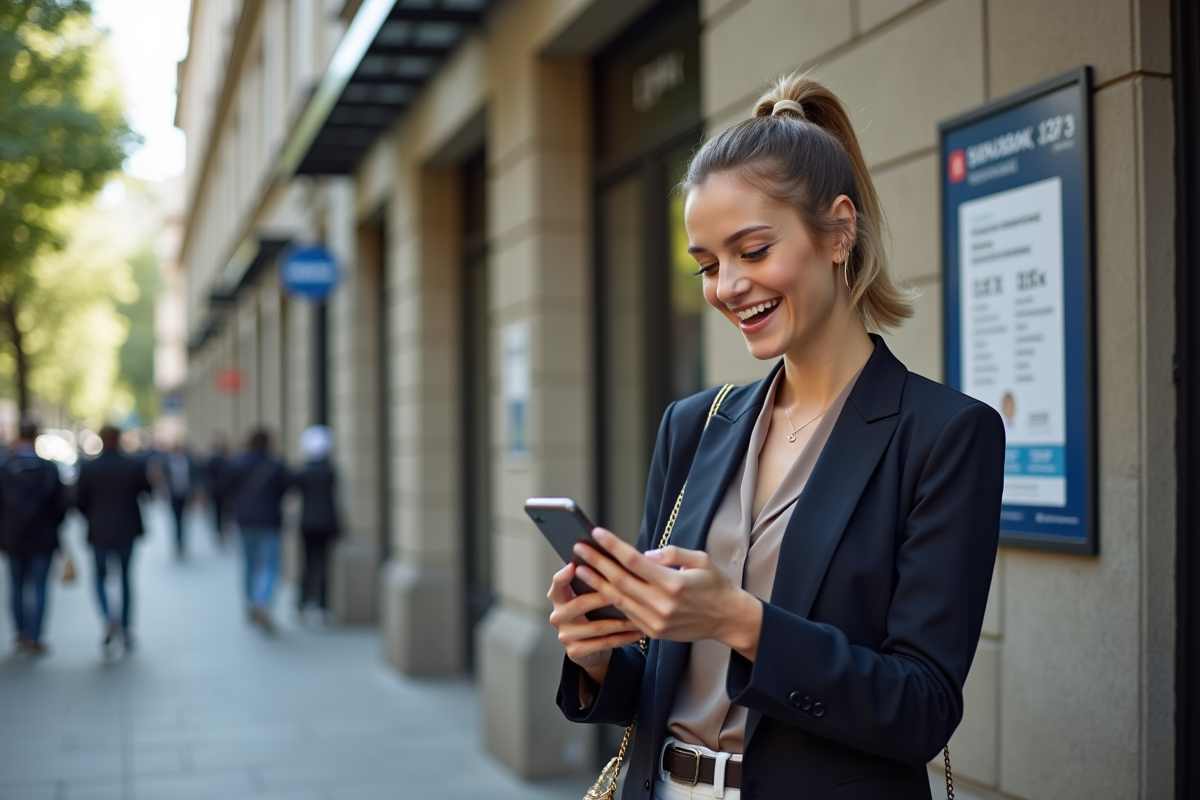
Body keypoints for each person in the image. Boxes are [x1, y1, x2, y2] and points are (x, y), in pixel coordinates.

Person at [548, 74, 1006, 800]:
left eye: (753, 251)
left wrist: (741, 620)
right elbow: (664, 678)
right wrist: (599, 656)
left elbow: (922, 708)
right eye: (706, 264)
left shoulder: (946, 435)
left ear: (839, 231)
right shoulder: (694, 425)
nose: (727, 286)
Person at [74, 425, 152, 653]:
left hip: (99, 531)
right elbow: (146, 492)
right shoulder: (133, 465)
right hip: (127, 529)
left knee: (99, 577)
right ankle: (126, 627)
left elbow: (79, 502)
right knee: (126, 579)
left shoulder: (89, 468)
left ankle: (109, 616)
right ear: (119, 439)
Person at [0, 419, 69, 657]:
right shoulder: (48, 468)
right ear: (36, 436)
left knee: (16, 585)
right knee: (39, 586)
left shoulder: (5, 467)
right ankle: (35, 637)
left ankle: (20, 633)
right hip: (43, 536)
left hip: (12, 537)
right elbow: (61, 506)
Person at [225, 428, 290, 631]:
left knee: (250, 565)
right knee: (269, 566)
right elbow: (286, 489)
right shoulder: (275, 465)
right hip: (269, 521)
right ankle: (261, 603)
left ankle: (251, 602)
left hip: (245, 520)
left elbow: (225, 491)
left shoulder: (238, 464)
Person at [292, 426, 340, 624]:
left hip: (308, 523)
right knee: (323, 564)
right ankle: (320, 605)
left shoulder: (304, 472)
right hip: (326, 523)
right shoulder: (330, 471)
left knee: (307, 563)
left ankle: (304, 603)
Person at [159, 441, 198, 558]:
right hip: (173, 494)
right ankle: (177, 543)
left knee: (185, 519)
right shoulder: (167, 461)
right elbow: (163, 477)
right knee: (176, 519)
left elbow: (194, 476)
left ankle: (183, 542)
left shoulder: (188, 461)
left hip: (186, 493)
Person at [205, 433, 232, 544]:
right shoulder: (223, 460)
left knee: (219, 511)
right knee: (220, 511)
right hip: (219, 490)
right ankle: (220, 530)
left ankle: (220, 530)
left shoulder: (218, 460)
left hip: (219, 490)